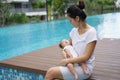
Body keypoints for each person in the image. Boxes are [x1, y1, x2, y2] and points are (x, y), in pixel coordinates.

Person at [45, 0, 97, 80]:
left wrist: (67, 61)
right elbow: (69, 46)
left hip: (85, 68)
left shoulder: (91, 32)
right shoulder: (74, 31)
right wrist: (64, 52)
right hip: (74, 64)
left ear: (77, 18)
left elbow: (86, 57)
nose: (70, 23)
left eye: (70, 20)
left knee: (51, 72)